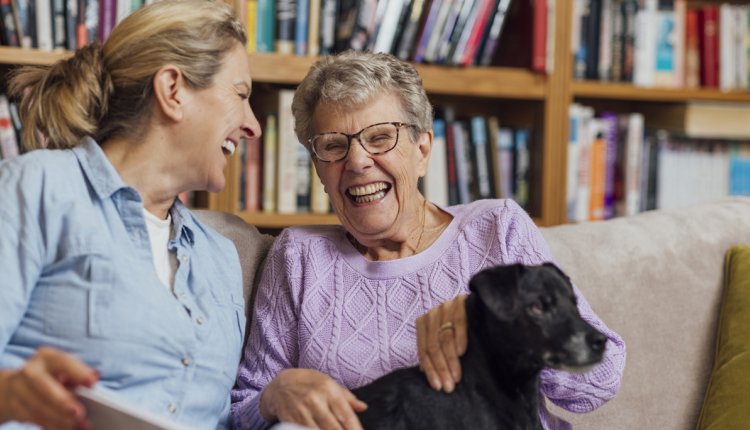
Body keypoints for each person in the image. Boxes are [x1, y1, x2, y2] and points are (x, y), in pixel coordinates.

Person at [231, 50, 626, 430]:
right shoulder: (299, 257)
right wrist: (274, 395)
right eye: (333, 145)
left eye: (380, 137)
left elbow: (600, 380)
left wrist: (489, 323)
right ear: (318, 168)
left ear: (422, 150)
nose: (356, 162)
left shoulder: (496, 229)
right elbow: (239, 411)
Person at [0, 1, 261, 428]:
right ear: (173, 90)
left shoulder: (222, 257)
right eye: (241, 95)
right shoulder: (38, 188)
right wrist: (9, 395)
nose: (254, 126)